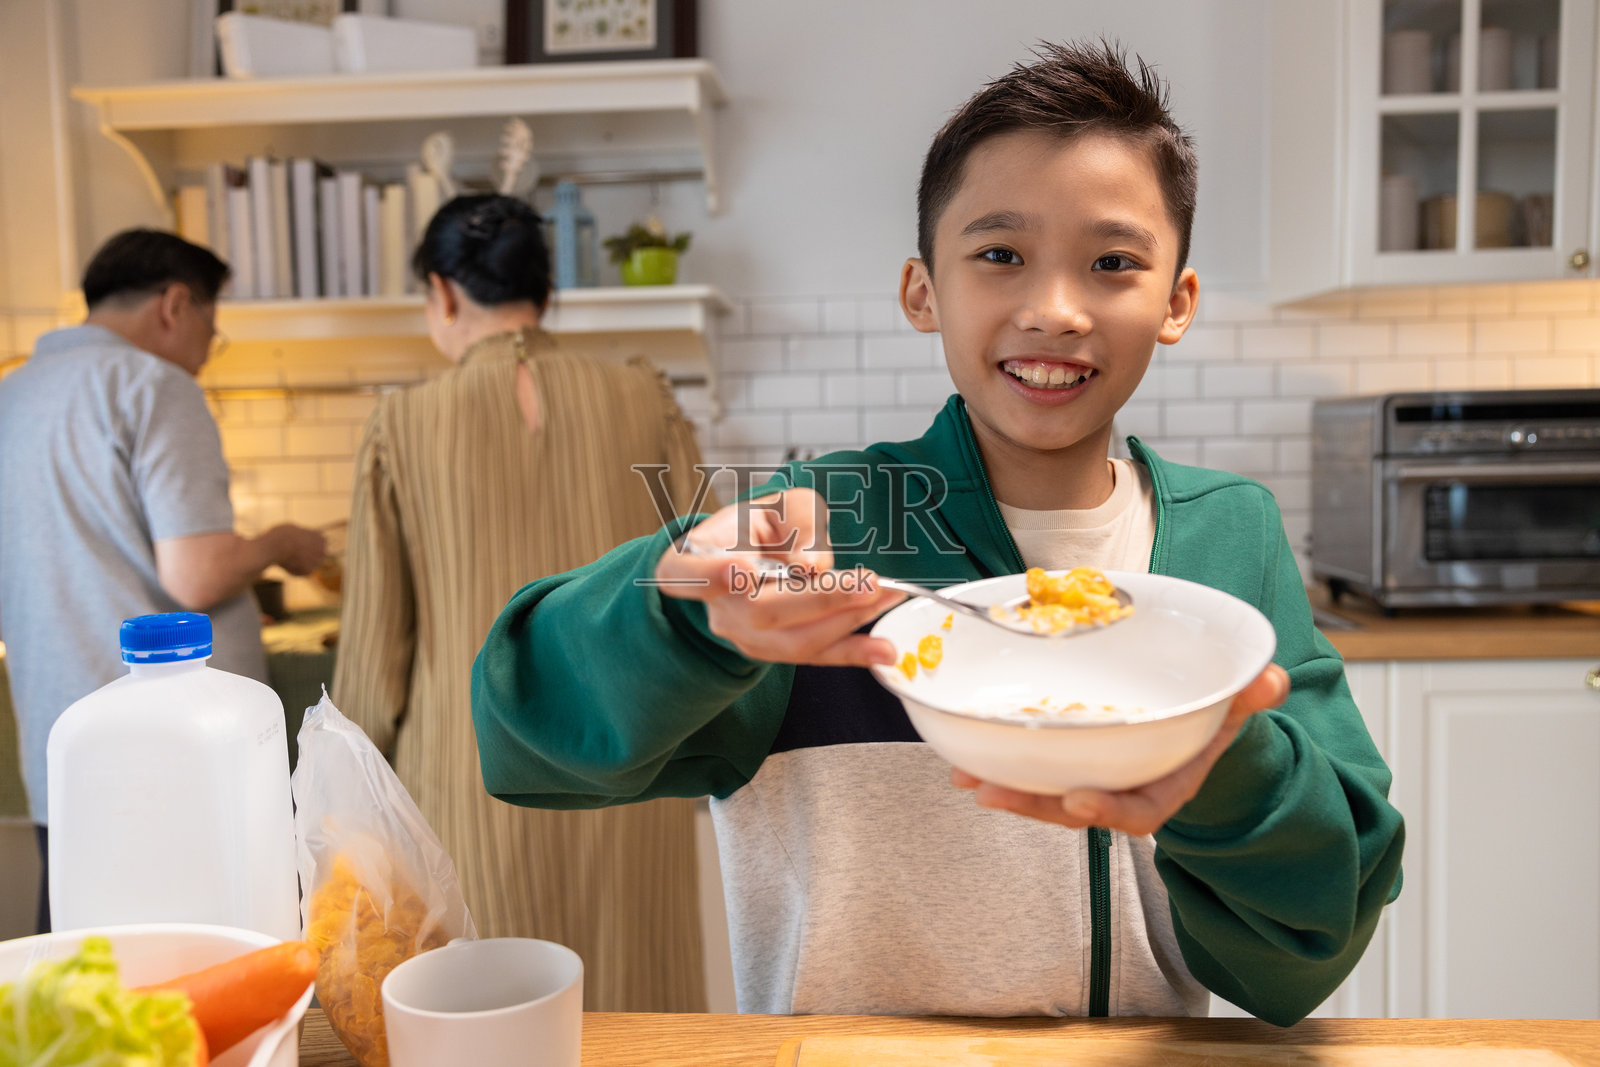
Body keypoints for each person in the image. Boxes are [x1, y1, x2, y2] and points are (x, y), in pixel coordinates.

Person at [470, 42, 1405, 1025]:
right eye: (999, 255)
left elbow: (1306, 954)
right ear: (923, 290)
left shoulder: (1231, 535)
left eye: (1113, 263)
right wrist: (687, 615)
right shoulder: (826, 525)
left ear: (1176, 300)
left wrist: (1228, 762)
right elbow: (522, 741)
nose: (1053, 309)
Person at [331, 194, 712, 1012]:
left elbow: (374, 654)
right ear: (547, 289)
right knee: (638, 1011)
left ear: (441, 292)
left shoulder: (403, 424)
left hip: (471, 772)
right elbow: (702, 593)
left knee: (482, 1016)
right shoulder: (644, 397)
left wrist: (350, 804)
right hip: (630, 760)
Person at [0, 229, 327, 934]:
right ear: (176, 304)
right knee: (214, 951)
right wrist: (277, 543)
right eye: (214, 323)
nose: (211, 346)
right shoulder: (154, 385)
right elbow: (196, 572)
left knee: (85, 950)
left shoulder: (11, 393)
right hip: (176, 748)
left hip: (61, 738)